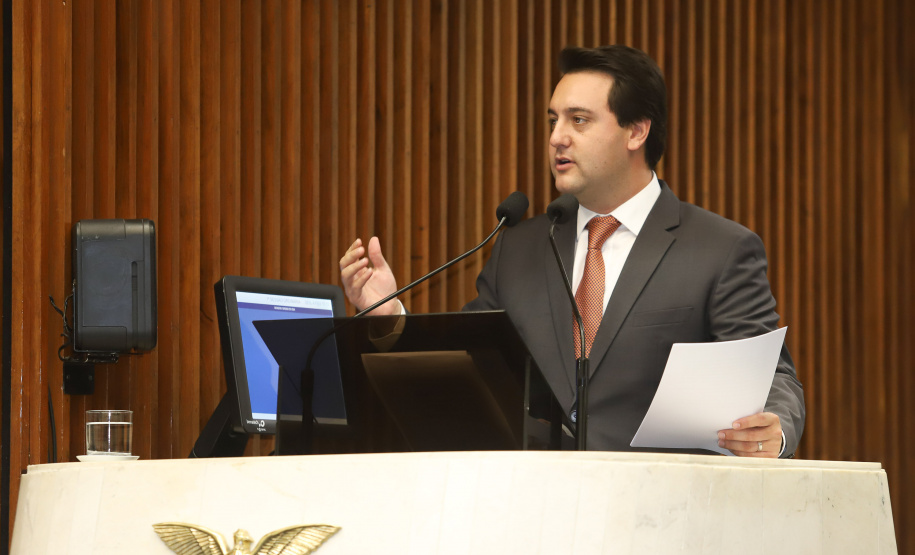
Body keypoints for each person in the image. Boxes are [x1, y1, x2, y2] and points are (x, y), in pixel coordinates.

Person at [339, 45, 805, 458]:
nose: (557, 137)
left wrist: (775, 430)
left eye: (578, 120)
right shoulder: (519, 248)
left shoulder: (719, 250)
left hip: (662, 515)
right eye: (553, 120)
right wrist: (390, 314)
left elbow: (772, 379)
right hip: (536, 512)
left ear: (636, 131)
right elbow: (468, 367)